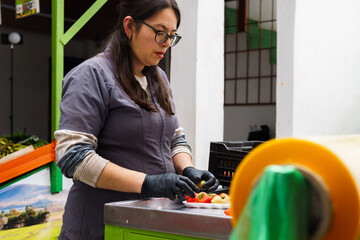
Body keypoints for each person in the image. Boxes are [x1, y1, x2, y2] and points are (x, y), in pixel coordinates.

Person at [54, 0, 219, 239]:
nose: (167, 44)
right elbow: (73, 157)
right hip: (99, 226)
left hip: (146, 224)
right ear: (130, 26)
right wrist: (148, 183)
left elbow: (174, 137)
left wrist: (188, 169)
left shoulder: (157, 78)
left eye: (172, 36)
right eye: (160, 33)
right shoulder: (92, 75)